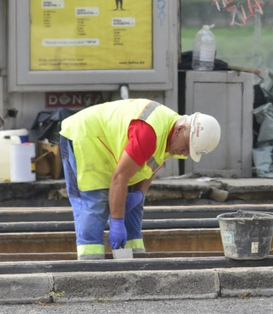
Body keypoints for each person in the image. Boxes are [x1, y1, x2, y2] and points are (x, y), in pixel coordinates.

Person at [59, 98, 221, 260]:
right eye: (186, 147)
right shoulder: (149, 133)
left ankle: (133, 262)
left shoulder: (173, 133)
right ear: (180, 130)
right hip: (86, 138)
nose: (185, 153)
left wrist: (139, 193)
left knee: (132, 208)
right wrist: (116, 222)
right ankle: (90, 268)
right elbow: (120, 177)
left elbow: (152, 164)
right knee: (94, 205)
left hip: (112, 148)